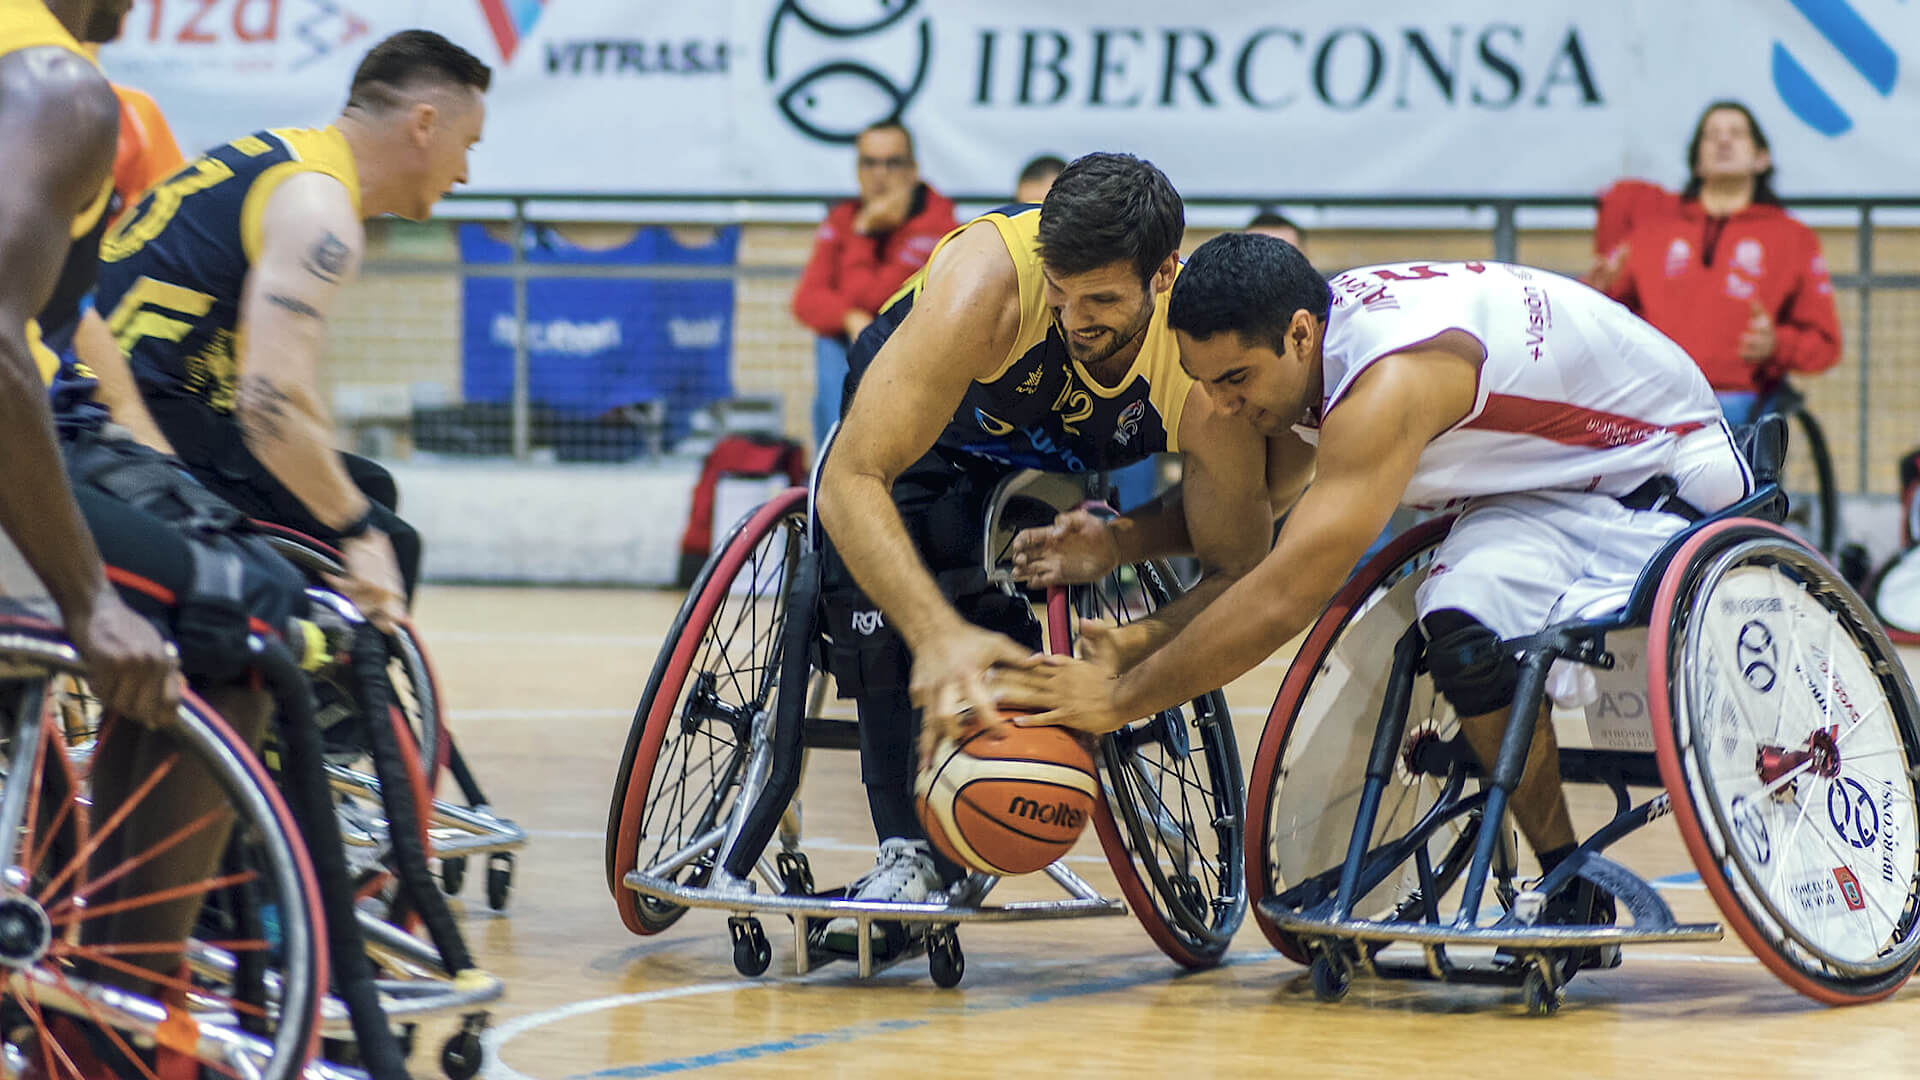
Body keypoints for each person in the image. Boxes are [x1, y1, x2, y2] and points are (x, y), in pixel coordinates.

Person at [1000, 235, 1749, 943]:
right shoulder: (1315, 355)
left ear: (1297, 335)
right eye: (1205, 384)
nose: (1221, 408)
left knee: (1465, 617)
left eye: (1234, 381)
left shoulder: (1389, 382)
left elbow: (1284, 596)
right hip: (1540, 490)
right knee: (1458, 628)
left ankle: (1563, 865)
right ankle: (1570, 878)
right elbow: (1255, 508)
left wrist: (1122, 699)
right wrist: (1122, 542)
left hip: (1656, 465)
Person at [814, 153, 1293, 952]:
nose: (1075, 320)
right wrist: (935, 634)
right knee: (914, 562)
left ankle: (996, 703)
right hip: (931, 418)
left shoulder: (1200, 363)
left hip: (1054, 447)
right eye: (1062, 295)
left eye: (1102, 299)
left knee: (1024, 563)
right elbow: (850, 478)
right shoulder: (988, 290)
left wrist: (1129, 597)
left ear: (1164, 274)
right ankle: (908, 849)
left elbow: (1236, 563)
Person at [97, 29, 494, 626]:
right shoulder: (319, 210)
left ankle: (303, 700)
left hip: (135, 398)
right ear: (424, 123)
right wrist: (358, 534)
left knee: (367, 484)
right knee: (382, 533)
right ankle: (338, 712)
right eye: (467, 145)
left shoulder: (285, 157)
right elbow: (270, 407)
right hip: (121, 421)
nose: (464, 172)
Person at [1588, 101, 1840, 423]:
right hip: (1653, 399)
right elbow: (1610, 323)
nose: (1723, 141)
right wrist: (1595, 293)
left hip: (1738, 402)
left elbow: (1825, 343)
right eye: (1711, 135)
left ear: (1762, 158)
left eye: (1736, 133)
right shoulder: (1652, 230)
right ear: (1696, 163)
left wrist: (1777, 345)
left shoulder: (1792, 237)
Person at [791, 120, 956, 447]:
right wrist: (847, 317)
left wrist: (864, 233)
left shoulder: (936, 224)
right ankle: (833, 459)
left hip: (913, 351)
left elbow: (875, 302)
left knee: (850, 346)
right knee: (830, 343)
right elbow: (806, 300)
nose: (880, 174)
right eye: (869, 162)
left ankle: (839, 454)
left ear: (913, 169)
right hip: (858, 348)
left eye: (892, 162)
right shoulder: (842, 219)